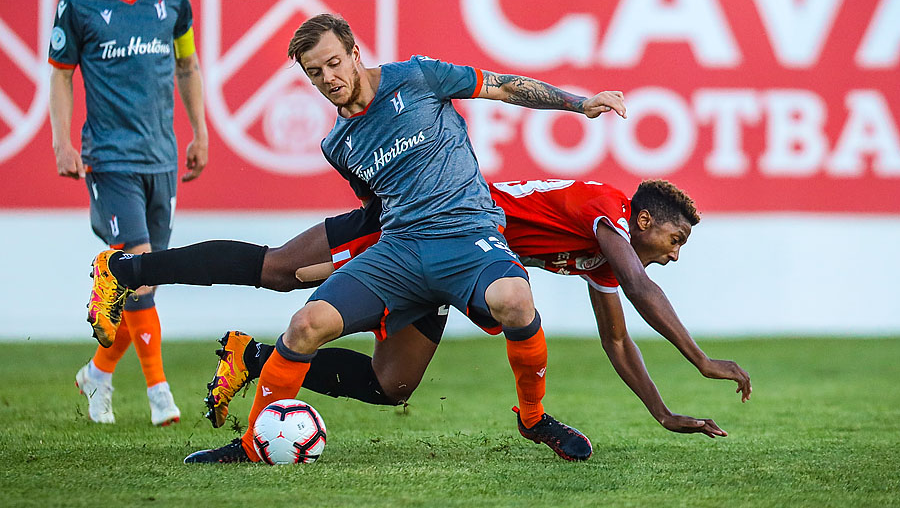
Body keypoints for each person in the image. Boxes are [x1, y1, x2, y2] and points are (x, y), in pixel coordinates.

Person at [89, 13, 627, 463]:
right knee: (294, 295)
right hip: (399, 245)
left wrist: (580, 103)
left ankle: (533, 420)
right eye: (313, 72)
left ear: (353, 50)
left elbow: (505, 87)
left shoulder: (417, 77)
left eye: (333, 62)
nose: (328, 77)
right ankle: (249, 433)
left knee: (396, 382)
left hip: (464, 239)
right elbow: (376, 207)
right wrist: (350, 266)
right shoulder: (338, 143)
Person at [150, 178, 750, 438]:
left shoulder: (600, 257)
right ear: (643, 221)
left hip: (455, 269)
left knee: (393, 385)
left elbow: (617, 340)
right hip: (422, 224)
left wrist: (664, 412)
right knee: (284, 271)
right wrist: (699, 359)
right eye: (674, 241)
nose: (672, 258)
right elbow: (642, 288)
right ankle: (133, 269)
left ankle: (250, 357)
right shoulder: (604, 206)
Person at [48, 0, 208, 426]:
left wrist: (199, 132)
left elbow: (188, 64)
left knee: (146, 280)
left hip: (161, 157)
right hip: (110, 159)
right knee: (138, 265)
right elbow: (61, 75)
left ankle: (97, 372)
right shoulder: (78, 6)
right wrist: (62, 142)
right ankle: (160, 394)